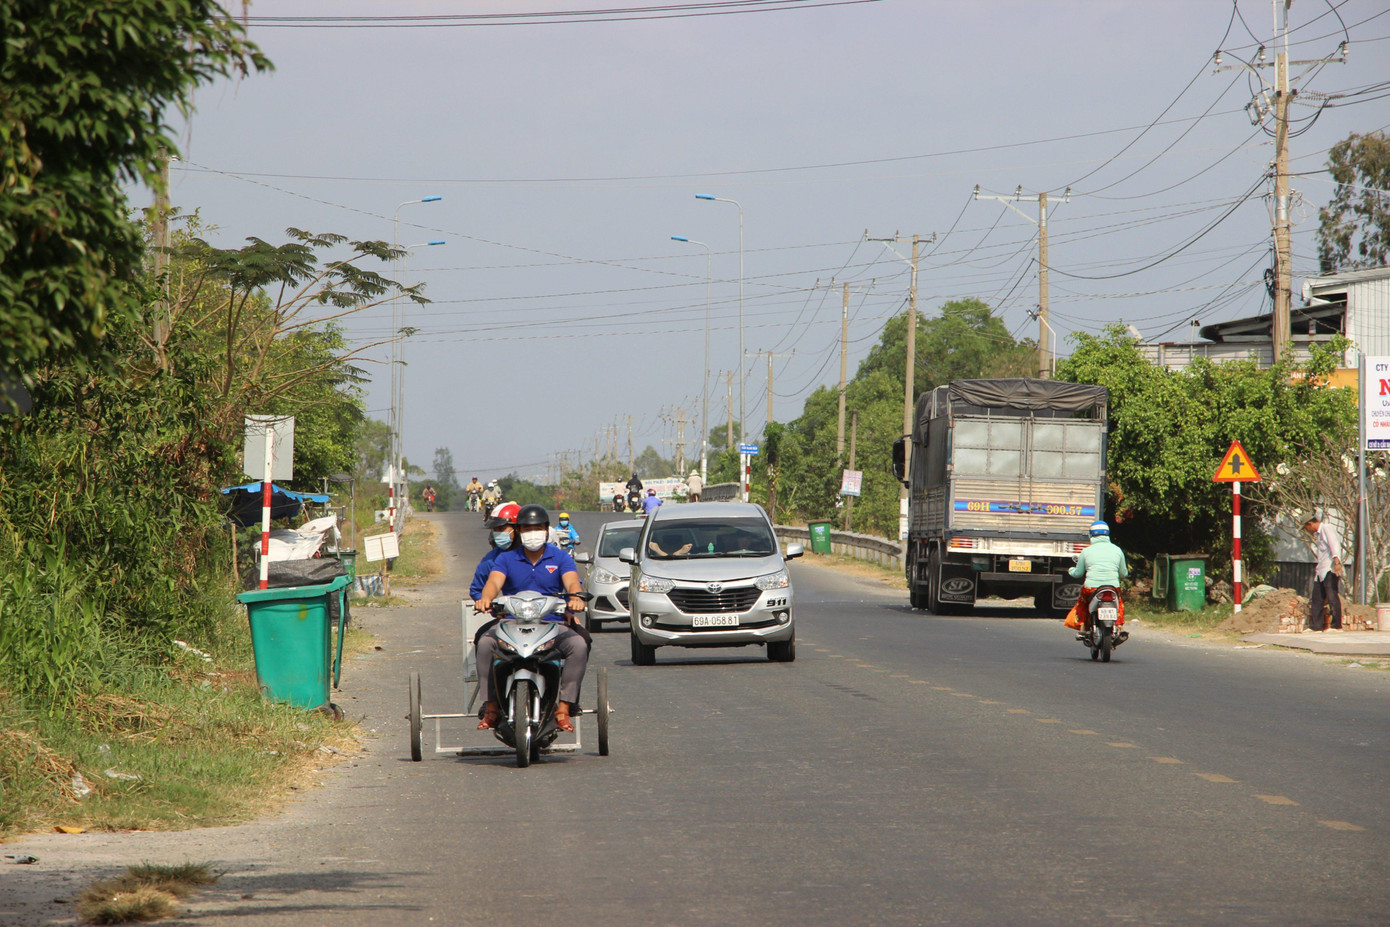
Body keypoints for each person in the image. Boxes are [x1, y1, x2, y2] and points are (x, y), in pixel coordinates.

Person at [474, 504, 588, 732]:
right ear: (519, 531)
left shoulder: (561, 558)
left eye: (537, 528)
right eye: (527, 528)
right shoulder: (506, 559)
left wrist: (575, 598)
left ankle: (564, 707)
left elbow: (572, 582)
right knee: (484, 642)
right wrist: (486, 598)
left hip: (552, 623)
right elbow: (493, 582)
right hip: (511, 622)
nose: (532, 533)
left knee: (579, 644)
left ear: (546, 530)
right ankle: (491, 707)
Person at [1064, 520, 1129, 630]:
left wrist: (1071, 570)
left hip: (1091, 588)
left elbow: (1078, 573)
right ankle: (1118, 626)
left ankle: (1082, 626)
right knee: (1119, 603)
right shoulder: (1117, 550)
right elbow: (1123, 573)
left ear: (1091, 535)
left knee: (1082, 603)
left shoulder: (1086, 551)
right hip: (1113, 587)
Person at [469, 502, 520, 601]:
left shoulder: (537, 554)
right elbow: (476, 591)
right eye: (495, 530)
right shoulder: (491, 559)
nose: (498, 533)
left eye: (502, 529)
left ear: (518, 529)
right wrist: (487, 603)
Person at [1303, 513, 1344, 631]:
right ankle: (1316, 626)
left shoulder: (1326, 528)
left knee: (1332, 596)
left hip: (1330, 569)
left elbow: (1334, 544)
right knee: (1317, 598)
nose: (1307, 530)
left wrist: (1337, 561)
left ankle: (1336, 625)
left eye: (1306, 528)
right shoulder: (1318, 534)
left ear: (1310, 524)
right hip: (1321, 570)